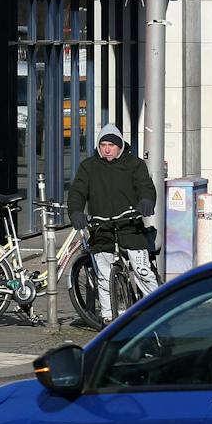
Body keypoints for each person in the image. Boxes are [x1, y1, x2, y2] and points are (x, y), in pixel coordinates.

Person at [66, 122, 159, 322]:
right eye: (103, 145)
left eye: (111, 145)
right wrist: (75, 212)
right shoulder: (89, 167)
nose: (107, 149)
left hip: (130, 225)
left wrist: (146, 200)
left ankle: (157, 312)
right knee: (104, 275)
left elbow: (145, 185)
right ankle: (108, 318)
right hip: (101, 228)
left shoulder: (134, 164)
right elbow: (77, 192)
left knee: (143, 272)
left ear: (120, 146)